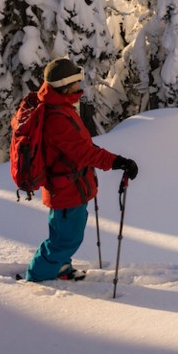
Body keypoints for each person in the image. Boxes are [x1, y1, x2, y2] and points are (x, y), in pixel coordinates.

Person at [24, 57, 139, 282]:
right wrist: (119, 162)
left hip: (67, 187)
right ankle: (37, 277)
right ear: (66, 86)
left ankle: (60, 268)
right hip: (67, 190)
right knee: (65, 240)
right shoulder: (58, 118)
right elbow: (85, 152)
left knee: (64, 235)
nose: (80, 86)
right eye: (77, 82)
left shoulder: (60, 108)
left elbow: (80, 147)